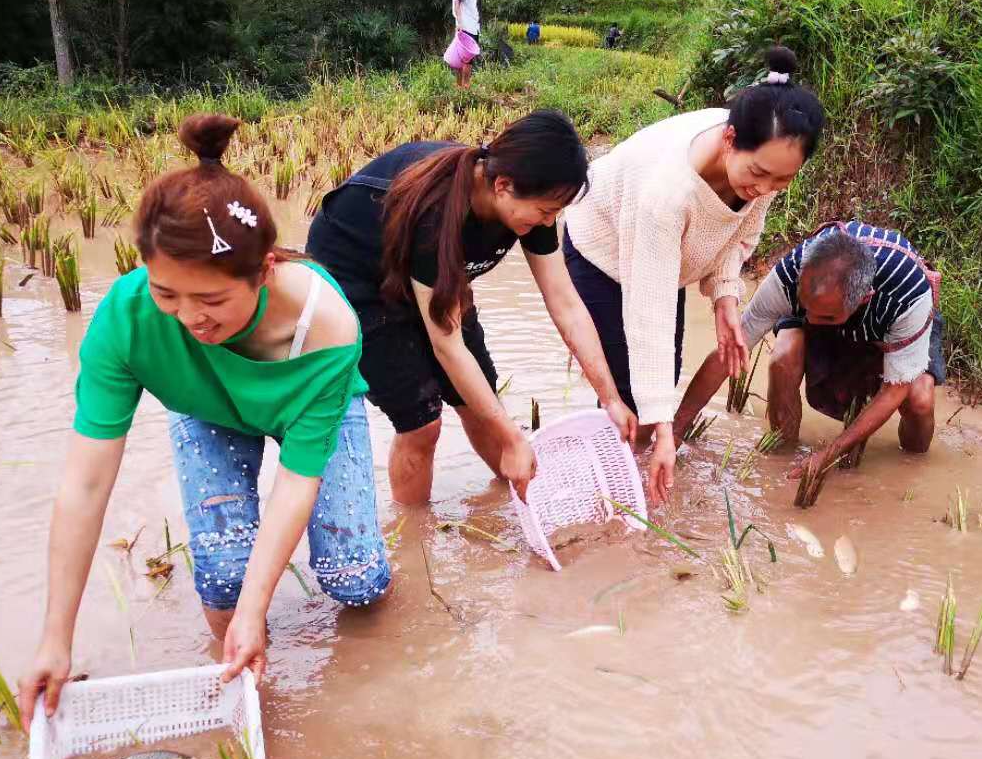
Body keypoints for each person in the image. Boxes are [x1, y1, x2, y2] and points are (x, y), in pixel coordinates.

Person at [17, 114, 390, 726]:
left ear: (265, 269)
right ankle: (245, 691)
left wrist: (258, 605)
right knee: (221, 574)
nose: (189, 318)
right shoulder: (127, 320)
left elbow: (296, 481)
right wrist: (55, 639)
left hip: (307, 401)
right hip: (208, 408)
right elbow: (85, 485)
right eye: (167, 293)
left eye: (212, 299)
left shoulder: (327, 324)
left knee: (355, 578)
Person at [306, 110, 637, 506]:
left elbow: (565, 303)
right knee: (421, 420)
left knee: (482, 401)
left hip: (431, 277)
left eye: (555, 213)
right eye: (546, 212)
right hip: (358, 277)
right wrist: (513, 438)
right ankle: (416, 538)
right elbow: (446, 345)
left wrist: (612, 397)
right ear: (502, 185)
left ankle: (518, 498)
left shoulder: (528, 207)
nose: (549, 221)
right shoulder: (436, 213)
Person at [559, 46, 825, 505]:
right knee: (630, 391)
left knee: (667, 372)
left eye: (781, 182)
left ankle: (639, 473)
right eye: (759, 174)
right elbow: (650, 316)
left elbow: (741, 230)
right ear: (729, 139)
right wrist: (664, 426)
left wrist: (725, 297)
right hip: (604, 250)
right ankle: (611, 494)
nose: (765, 190)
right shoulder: (666, 194)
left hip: (667, 258)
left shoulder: (767, 157)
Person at [673, 221, 945, 473]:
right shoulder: (791, 273)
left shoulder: (909, 296)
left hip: (887, 324)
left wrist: (828, 455)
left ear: (864, 299)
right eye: (807, 309)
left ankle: (912, 465)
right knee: (782, 358)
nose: (813, 321)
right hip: (825, 302)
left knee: (919, 400)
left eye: (824, 317)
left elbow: (893, 390)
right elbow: (732, 349)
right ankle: (782, 451)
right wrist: (676, 428)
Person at [447, 0, 486, 89]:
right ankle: (465, 86)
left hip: (471, 25)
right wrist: (460, 24)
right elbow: (457, 2)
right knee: (467, 58)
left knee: (464, 58)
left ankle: (461, 86)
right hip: (466, 26)